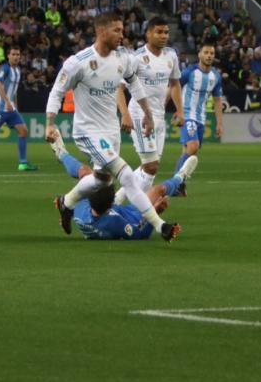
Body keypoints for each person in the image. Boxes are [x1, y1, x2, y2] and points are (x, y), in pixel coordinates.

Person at [45, 12, 180, 242]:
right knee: (126, 174)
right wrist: (49, 123)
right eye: (117, 30)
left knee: (102, 181)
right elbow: (57, 91)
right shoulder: (79, 62)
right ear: (101, 31)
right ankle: (161, 227)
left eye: (122, 29)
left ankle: (66, 203)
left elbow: (135, 83)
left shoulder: (123, 59)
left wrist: (147, 114)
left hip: (110, 131)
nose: (122, 34)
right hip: (87, 132)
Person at [47, 127, 197, 240]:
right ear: (112, 203)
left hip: (106, 211)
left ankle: (61, 153)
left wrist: (66, 214)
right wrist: (156, 211)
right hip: (134, 217)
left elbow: (75, 205)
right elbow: (137, 232)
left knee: (86, 174)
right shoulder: (113, 223)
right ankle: (180, 177)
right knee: (158, 191)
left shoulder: (82, 207)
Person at [115, 16, 183, 205]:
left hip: (159, 116)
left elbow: (175, 84)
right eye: (159, 32)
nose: (164, 36)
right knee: (151, 166)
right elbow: (118, 87)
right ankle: (139, 210)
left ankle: (115, 201)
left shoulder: (171, 56)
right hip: (139, 114)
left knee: (150, 168)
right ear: (148, 34)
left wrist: (180, 110)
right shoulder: (136, 58)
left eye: (166, 32)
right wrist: (125, 114)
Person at [0, 46, 38, 173]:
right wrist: (6, 101)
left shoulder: (18, 70)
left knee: (23, 131)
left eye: (18, 54)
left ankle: (23, 163)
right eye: (14, 54)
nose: (16, 57)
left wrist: (15, 105)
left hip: (11, 109)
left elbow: (14, 91)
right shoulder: (4, 69)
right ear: (8, 56)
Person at [174, 42, 225, 175]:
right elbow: (174, 87)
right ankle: (175, 179)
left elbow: (217, 100)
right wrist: (177, 109)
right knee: (193, 146)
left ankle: (180, 184)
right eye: (206, 53)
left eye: (212, 53)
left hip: (201, 117)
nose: (209, 56)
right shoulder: (189, 72)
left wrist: (219, 123)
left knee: (189, 152)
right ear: (199, 55)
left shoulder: (216, 76)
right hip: (186, 114)